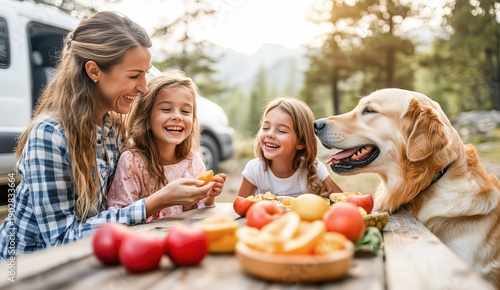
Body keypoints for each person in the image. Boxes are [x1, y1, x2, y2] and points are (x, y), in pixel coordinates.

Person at [0, 11, 213, 259]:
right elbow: (60, 239)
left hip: (90, 256)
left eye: (146, 73)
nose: (144, 87)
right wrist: (153, 204)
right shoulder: (50, 134)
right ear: (94, 71)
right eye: (134, 75)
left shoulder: (112, 126)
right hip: (30, 268)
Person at [107, 71, 226, 221]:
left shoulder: (193, 161)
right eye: (166, 109)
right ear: (146, 118)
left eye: (185, 111)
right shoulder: (132, 162)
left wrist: (208, 197)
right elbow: (120, 215)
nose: (177, 116)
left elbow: (198, 213)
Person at [237, 97, 342, 198]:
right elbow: (240, 208)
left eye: (281, 130)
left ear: (301, 142)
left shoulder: (315, 169)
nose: (270, 134)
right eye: (265, 127)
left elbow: (343, 202)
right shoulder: (255, 169)